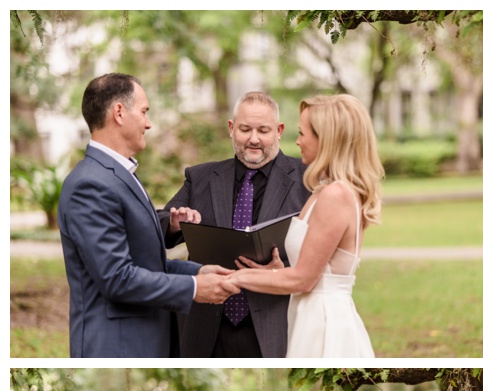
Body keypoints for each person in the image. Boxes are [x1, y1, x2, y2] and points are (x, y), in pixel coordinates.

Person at [56, 73, 239, 358]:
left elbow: (146, 262)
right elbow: (117, 278)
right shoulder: (89, 184)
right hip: (117, 346)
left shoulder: (119, 174)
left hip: (145, 339)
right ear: (119, 112)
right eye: (144, 112)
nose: (149, 123)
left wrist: (199, 271)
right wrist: (193, 287)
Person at [162, 92, 310, 358]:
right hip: (205, 326)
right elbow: (159, 225)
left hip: (273, 325)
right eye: (245, 129)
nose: (254, 139)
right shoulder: (200, 177)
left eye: (263, 130)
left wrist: (284, 270)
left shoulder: (306, 178)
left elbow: (324, 253)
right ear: (232, 129)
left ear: (278, 131)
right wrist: (174, 223)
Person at [231, 94, 380, 358]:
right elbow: (310, 270)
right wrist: (276, 271)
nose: (297, 141)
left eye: (302, 133)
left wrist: (237, 278)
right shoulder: (321, 192)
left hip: (324, 321)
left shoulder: (336, 195)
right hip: (306, 312)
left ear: (326, 138)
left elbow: (304, 279)